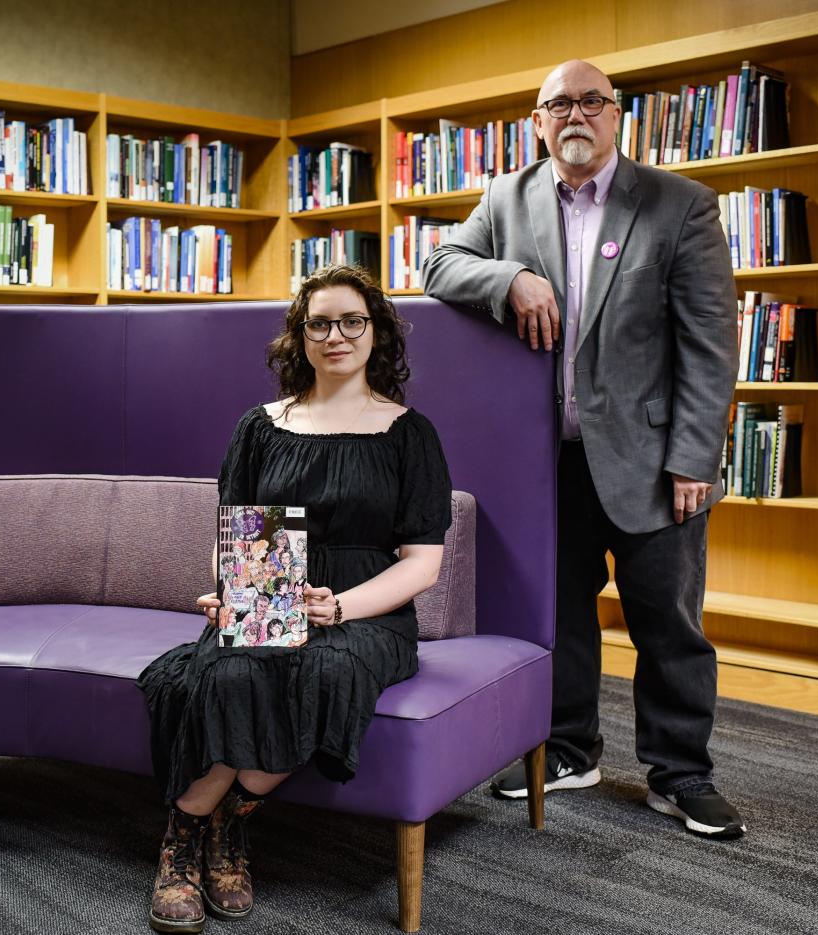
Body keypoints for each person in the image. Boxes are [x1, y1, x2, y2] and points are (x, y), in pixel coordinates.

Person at [422, 60, 743, 839]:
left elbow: (710, 345)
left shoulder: (680, 205)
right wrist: (509, 282)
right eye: (558, 103)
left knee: (666, 623)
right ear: (537, 121)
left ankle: (680, 772)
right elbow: (437, 265)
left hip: (655, 461)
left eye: (591, 101)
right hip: (547, 466)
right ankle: (568, 748)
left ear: (616, 114)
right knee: (558, 616)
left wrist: (695, 457)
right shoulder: (507, 196)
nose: (576, 114)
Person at [137, 264, 452, 933]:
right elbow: (246, 539)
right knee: (230, 669)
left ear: (377, 333)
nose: (335, 335)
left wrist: (338, 606)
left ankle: (220, 822)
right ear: (299, 336)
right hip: (268, 593)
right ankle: (184, 841)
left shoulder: (408, 432)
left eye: (352, 321)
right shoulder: (261, 425)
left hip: (365, 611)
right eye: (319, 323)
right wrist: (229, 596)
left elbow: (423, 564)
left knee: (324, 668)